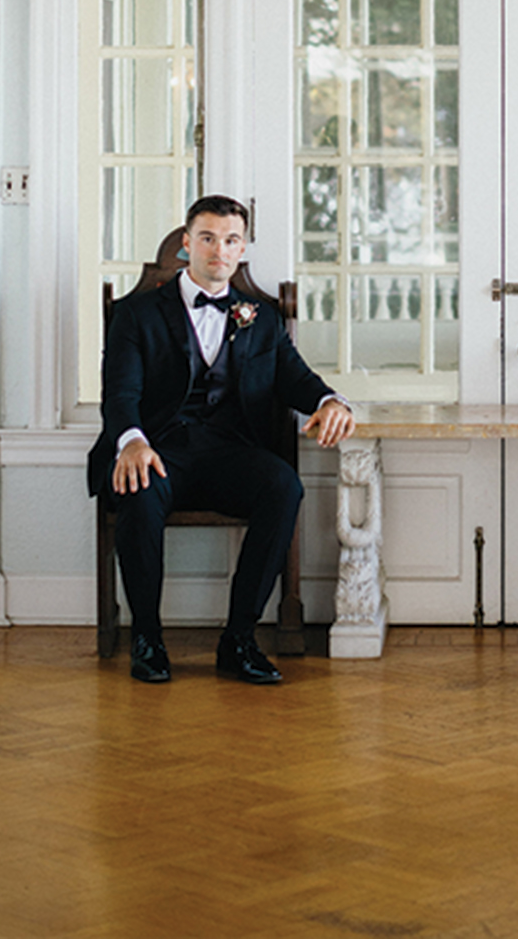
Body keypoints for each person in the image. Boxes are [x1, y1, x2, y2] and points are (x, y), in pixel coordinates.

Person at [88, 194, 354, 686]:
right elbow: (119, 392)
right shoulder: (137, 314)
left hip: (228, 453)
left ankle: (239, 638)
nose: (219, 250)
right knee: (138, 487)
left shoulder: (262, 318)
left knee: (284, 487)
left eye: (230, 240)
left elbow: (296, 378)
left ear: (242, 248)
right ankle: (147, 636)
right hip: (159, 451)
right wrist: (131, 441)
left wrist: (330, 401)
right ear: (187, 245)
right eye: (207, 238)